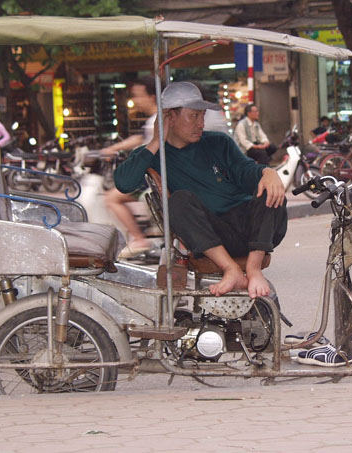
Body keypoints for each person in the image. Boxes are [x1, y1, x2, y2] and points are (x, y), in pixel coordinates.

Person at [114, 81, 287, 299]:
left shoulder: (218, 142)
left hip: (248, 228)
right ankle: (231, 269)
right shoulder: (155, 154)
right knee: (178, 200)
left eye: (202, 116)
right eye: (194, 116)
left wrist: (267, 173)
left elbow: (245, 171)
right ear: (170, 117)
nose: (201, 123)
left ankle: (253, 269)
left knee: (272, 191)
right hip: (208, 235)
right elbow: (123, 183)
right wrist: (156, 141)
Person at [100, 77, 158, 258]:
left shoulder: (157, 121)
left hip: (152, 177)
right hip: (152, 175)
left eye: (139, 96)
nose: (136, 101)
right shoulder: (154, 121)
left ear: (152, 97)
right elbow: (140, 139)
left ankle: (138, 238)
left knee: (112, 198)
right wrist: (113, 148)